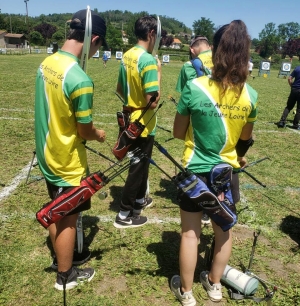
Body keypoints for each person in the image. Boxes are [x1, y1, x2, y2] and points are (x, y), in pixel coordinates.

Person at [170, 20, 258, 305]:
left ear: (215, 51)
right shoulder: (250, 95)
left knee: (190, 234)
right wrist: (239, 154)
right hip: (225, 174)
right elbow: (245, 138)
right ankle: (215, 285)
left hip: (195, 172)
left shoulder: (194, 87)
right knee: (223, 233)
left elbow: (177, 132)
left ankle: (186, 293)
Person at [34, 9, 107, 290]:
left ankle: (61, 257)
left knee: (56, 209)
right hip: (67, 160)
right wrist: (98, 134)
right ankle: (65, 274)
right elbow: (84, 130)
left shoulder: (46, 63)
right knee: (66, 217)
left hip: (47, 150)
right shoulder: (80, 79)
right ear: (94, 39)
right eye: (99, 46)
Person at [113, 15, 161, 229]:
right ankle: (124, 214)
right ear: (151, 34)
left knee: (141, 164)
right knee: (137, 167)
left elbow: (119, 90)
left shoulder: (127, 55)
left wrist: (131, 104)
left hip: (129, 120)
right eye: (157, 35)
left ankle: (140, 201)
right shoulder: (148, 60)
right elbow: (152, 102)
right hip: (143, 123)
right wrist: (158, 72)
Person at [176, 35, 213, 226]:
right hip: (220, 119)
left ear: (192, 49)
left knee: (196, 155)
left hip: (195, 117)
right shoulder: (222, 60)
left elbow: (184, 94)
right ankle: (211, 206)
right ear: (211, 47)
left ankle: (197, 197)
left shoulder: (188, 66)